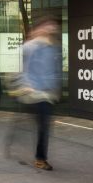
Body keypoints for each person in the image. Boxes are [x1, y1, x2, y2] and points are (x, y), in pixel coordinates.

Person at [20, 15, 62, 171]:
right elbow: (24, 69)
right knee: (43, 127)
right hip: (36, 93)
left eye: (54, 25)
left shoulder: (53, 47)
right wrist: (27, 86)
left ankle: (39, 156)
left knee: (44, 127)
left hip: (48, 94)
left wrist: (55, 89)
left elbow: (54, 70)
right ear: (41, 27)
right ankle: (40, 159)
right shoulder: (30, 47)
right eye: (49, 25)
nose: (52, 28)